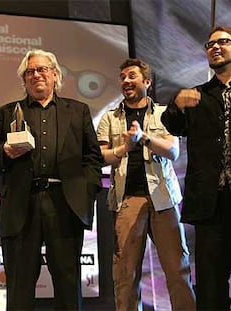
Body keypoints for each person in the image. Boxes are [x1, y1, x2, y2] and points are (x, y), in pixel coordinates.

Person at [0, 49, 103, 310]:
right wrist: (5, 150)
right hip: (20, 204)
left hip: (65, 203)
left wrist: (87, 192)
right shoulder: (6, 112)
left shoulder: (78, 111)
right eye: (30, 71)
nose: (36, 74)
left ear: (55, 75)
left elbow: (92, 157)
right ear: (24, 79)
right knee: (19, 282)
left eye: (42, 69)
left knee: (68, 281)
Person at [97, 58, 196, 311]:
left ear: (147, 82)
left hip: (163, 198)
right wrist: (124, 148)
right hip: (127, 199)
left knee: (177, 270)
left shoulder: (164, 114)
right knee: (125, 274)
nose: (126, 81)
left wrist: (144, 138)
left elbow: (173, 151)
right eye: (122, 77)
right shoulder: (110, 118)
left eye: (132, 76)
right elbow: (101, 157)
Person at [161, 26, 231, 310]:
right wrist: (176, 105)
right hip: (211, 201)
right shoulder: (199, 95)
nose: (215, 47)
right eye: (210, 44)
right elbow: (173, 125)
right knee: (211, 282)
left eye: (223, 42)